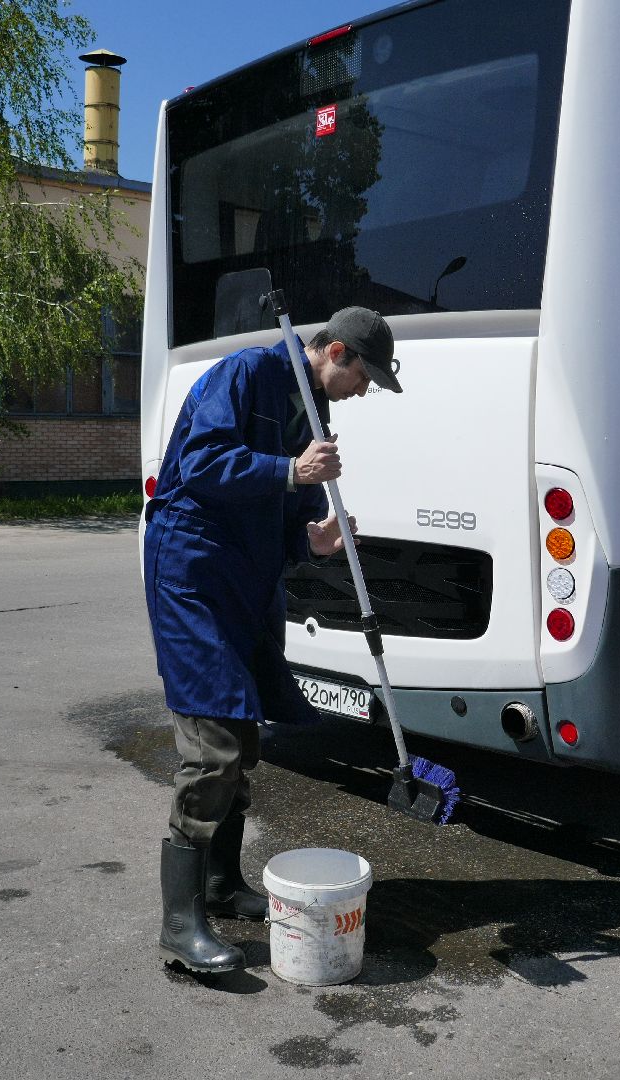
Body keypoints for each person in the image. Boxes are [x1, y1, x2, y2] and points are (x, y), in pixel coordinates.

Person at [143, 306, 403, 974]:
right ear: (336, 351)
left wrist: (309, 538)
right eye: (365, 375)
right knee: (213, 746)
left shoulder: (313, 410)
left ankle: (222, 885)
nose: (365, 390)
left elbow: (285, 514)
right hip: (194, 575)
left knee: (246, 734)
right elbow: (200, 465)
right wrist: (291, 471)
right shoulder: (249, 372)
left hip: (248, 583)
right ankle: (180, 925)